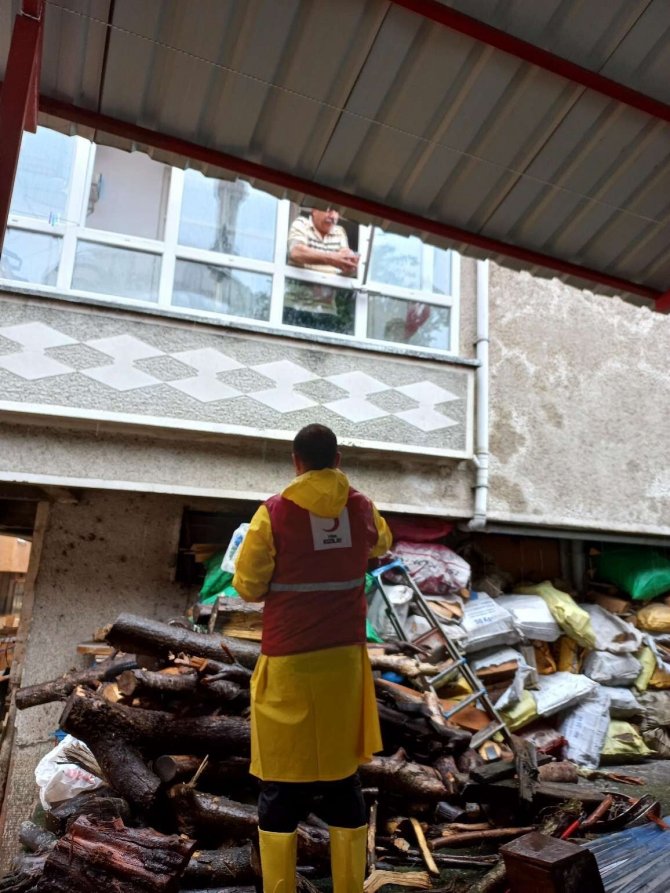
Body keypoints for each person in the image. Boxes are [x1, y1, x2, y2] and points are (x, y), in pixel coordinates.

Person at [233, 424, 392, 893]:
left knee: (281, 788)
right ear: (337, 460)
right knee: (344, 782)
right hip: (343, 664)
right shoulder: (361, 507)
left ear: (296, 462)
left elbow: (247, 586)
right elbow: (382, 543)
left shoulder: (273, 514)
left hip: (290, 664)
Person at [284, 208, 360, 333]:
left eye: (336, 212)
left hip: (326, 310)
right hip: (295, 306)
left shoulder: (339, 231)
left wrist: (350, 267)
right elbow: (296, 252)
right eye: (329, 210)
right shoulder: (301, 224)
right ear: (314, 210)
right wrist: (332, 258)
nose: (333, 216)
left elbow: (344, 262)